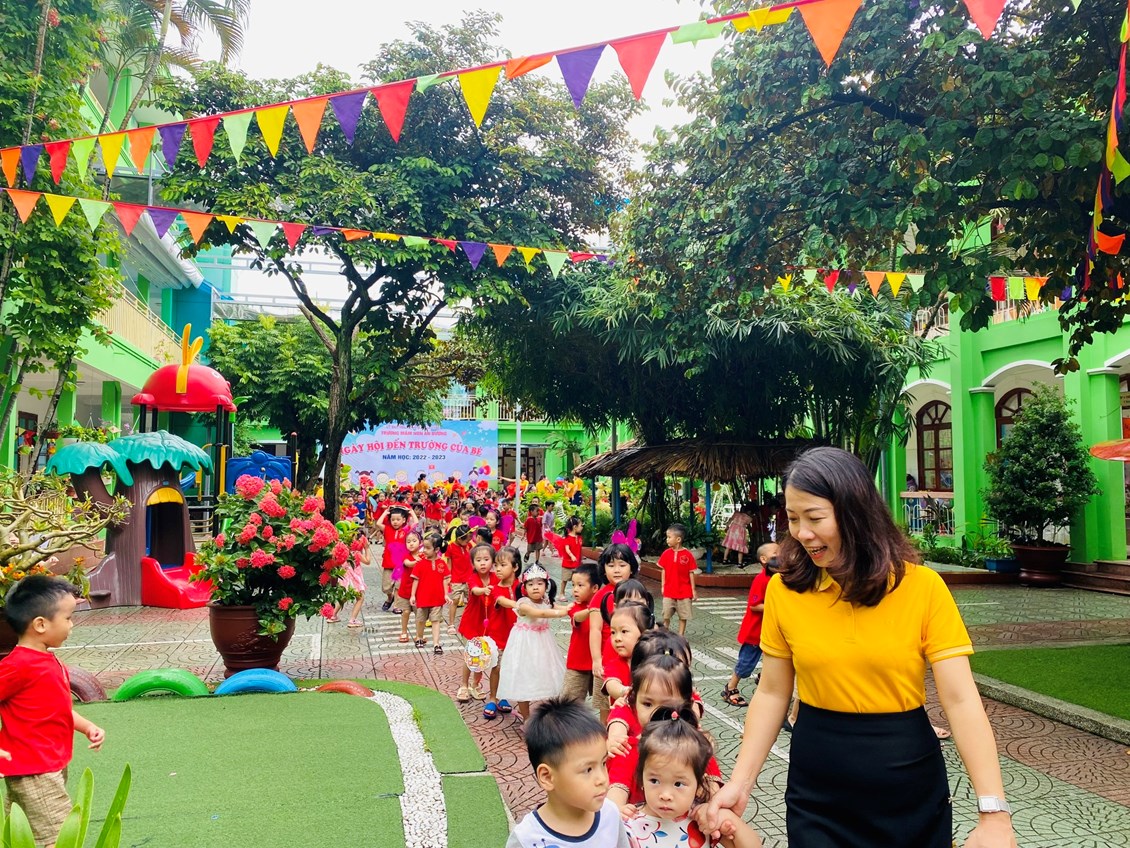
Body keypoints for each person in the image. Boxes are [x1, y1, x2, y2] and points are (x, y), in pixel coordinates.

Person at [700, 447, 1018, 848]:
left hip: (906, 779)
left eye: (814, 518)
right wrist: (741, 783)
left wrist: (994, 813)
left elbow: (960, 700)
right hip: (817, 780)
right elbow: (773, 692)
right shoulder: (785, 590)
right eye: (793, 519)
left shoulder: (922, 588)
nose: (801, 533)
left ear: (856, 513)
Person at [0, 576, 105, 848]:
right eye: (68, 618)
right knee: (58, 839)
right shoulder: (18, 666)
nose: (71, 625)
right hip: (34, 770)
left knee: (27, 837)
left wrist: (86, 726)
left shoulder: (46, 660)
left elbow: (58, 708)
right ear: (40, 624)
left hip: (49, 764)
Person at [626, 709, 762, 848]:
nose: (665, 795)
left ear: (698, 785)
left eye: (678, 784)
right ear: (641, 779)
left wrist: (727, 817)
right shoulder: (628, 826)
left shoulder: (702, 820)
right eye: (654, 781)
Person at [505, 697, 630, 848]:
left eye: (603, 763)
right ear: (547, 777)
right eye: (588, 769)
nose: (602, 779)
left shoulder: (610, 814)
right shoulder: (527, 839)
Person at [496, 564, 570, 719]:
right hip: (525, 645)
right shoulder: (523, 604)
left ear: (546, 585)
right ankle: (527, 718)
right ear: (524, 587)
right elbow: (540, 613)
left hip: (544, 643)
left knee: (547, 674)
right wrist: (563, 612)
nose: (535, 587)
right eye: (530, 584)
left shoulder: (546, 600)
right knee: (524, 677)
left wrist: (572, 607)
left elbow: (554, 606)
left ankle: (550, 713)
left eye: (540, 583)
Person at [720, 543, 777, 707]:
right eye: (776, 553)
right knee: (746, 663)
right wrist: (777, 606)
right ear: (764, 559)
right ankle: (730, 687)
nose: (781, 556)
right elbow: (754, 605)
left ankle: (763, 678)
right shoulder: (761, 579)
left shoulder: (778, 578)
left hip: (771, 631)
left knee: (774, 659)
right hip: (755, 632)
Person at [589, 543, 639, 723]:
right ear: (603, 569)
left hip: (634, 660)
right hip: (607, 661)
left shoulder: (636, 592)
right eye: (611, 565)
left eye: (622, 565)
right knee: (607, 708)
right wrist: (596, 659)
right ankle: (607, 735)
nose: (616, 570)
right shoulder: (601, 595)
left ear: (632, 568)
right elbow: (595, 629)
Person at [483, 546, 521, 719]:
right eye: (496, 565)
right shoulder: (495, 588)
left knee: (511, 668)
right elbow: (502, 600)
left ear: (515, 567)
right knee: (496, 667)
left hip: (517, 636)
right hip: (498, 635)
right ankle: (493, 697)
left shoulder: (522, 587)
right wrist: (520, 605)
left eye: (503, 565)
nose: (497, 569)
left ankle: (503, 695)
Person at [456, 544, 497, 702]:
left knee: (483, 655)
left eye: (486, 559)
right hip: (472, 622)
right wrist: (484, 590)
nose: (482, 563)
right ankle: (464, 685)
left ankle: (475, 684)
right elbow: (474, 590)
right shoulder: (472, 578)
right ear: (473, 563)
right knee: (471, 654)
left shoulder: (496, 578)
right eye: (478, 560)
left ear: (493, 561)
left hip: (488, 623)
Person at [561, 564, 599, 705]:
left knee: (604, 703)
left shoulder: (605, 605)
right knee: (570, 703)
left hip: (600, 663)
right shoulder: (575, 606)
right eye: (573, 585)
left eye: (580, 585)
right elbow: (577, 617)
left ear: (595, 588)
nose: (575, 589)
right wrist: (593, 609)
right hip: (577, 663)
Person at [409, 532, 450, 654]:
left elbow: (445, 580)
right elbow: (416, 580)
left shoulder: (442, 563)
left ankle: (436, 644)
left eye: (427, 548)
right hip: (422, 598)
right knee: (420, 620)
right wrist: (412, 595)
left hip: (437, 599)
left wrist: (446, 594)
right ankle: (419, 637)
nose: (424, 550)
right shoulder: (420, 563)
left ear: (436, 549)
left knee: (435, 621)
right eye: (424, 547)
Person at [658, 524, 697, 636]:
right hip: (669, 590)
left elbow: (691, 573)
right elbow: (663, 570)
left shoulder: (688, 555)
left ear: (678, 539)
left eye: (669, 537)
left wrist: (693, 590)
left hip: (684, 591)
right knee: (666, 614)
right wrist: (663, 586)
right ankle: (665, 631)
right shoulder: (666, 553)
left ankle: (681, 635)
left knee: (683, 615)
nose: (667, 540)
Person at [375, 505, 410, 612]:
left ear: (404, 520)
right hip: (388, 562)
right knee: (386, 587)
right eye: (393, 519)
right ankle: (390, 598)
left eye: (398, 519)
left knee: (398, 585)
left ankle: (396, 605)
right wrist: (385, 512)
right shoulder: (387, 529)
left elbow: (416, 524)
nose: (395, 522)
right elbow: (378, 524)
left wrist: (411, 512)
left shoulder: (406, 530)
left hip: (401, 564)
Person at [395, 530, 423, 643]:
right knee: (405, 612)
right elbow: (408, 563)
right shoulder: (405, 555)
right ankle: (403, 632)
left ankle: (419, 635)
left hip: (419, 591)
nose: (411, 543)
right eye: (408, 542)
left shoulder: (423, 555)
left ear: (420, 542)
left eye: (414, 541)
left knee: (419, 615)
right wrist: (416, 562)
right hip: (405, 590)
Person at [445, 525, 473, 634]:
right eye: (466, 540)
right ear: (459, 539)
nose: (468, 542)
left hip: (469, 578)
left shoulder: (468, 545)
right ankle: (451, 624)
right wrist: (448, 577)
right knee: (455, 601)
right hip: (456, 579)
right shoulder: (451, 547)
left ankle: (469, 622)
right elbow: (449, 564)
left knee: (470, 601)